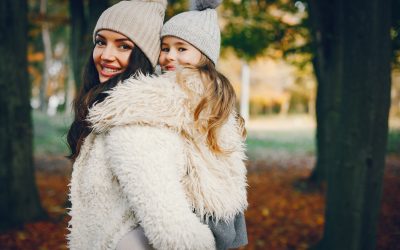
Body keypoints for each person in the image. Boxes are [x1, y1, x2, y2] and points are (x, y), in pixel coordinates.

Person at [67, 1, 248, 250]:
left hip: (209, 213)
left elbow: (172, 228)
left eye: (123, 45)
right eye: (100, 41)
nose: (106, 54)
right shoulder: (129, 108)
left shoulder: (138, 118)